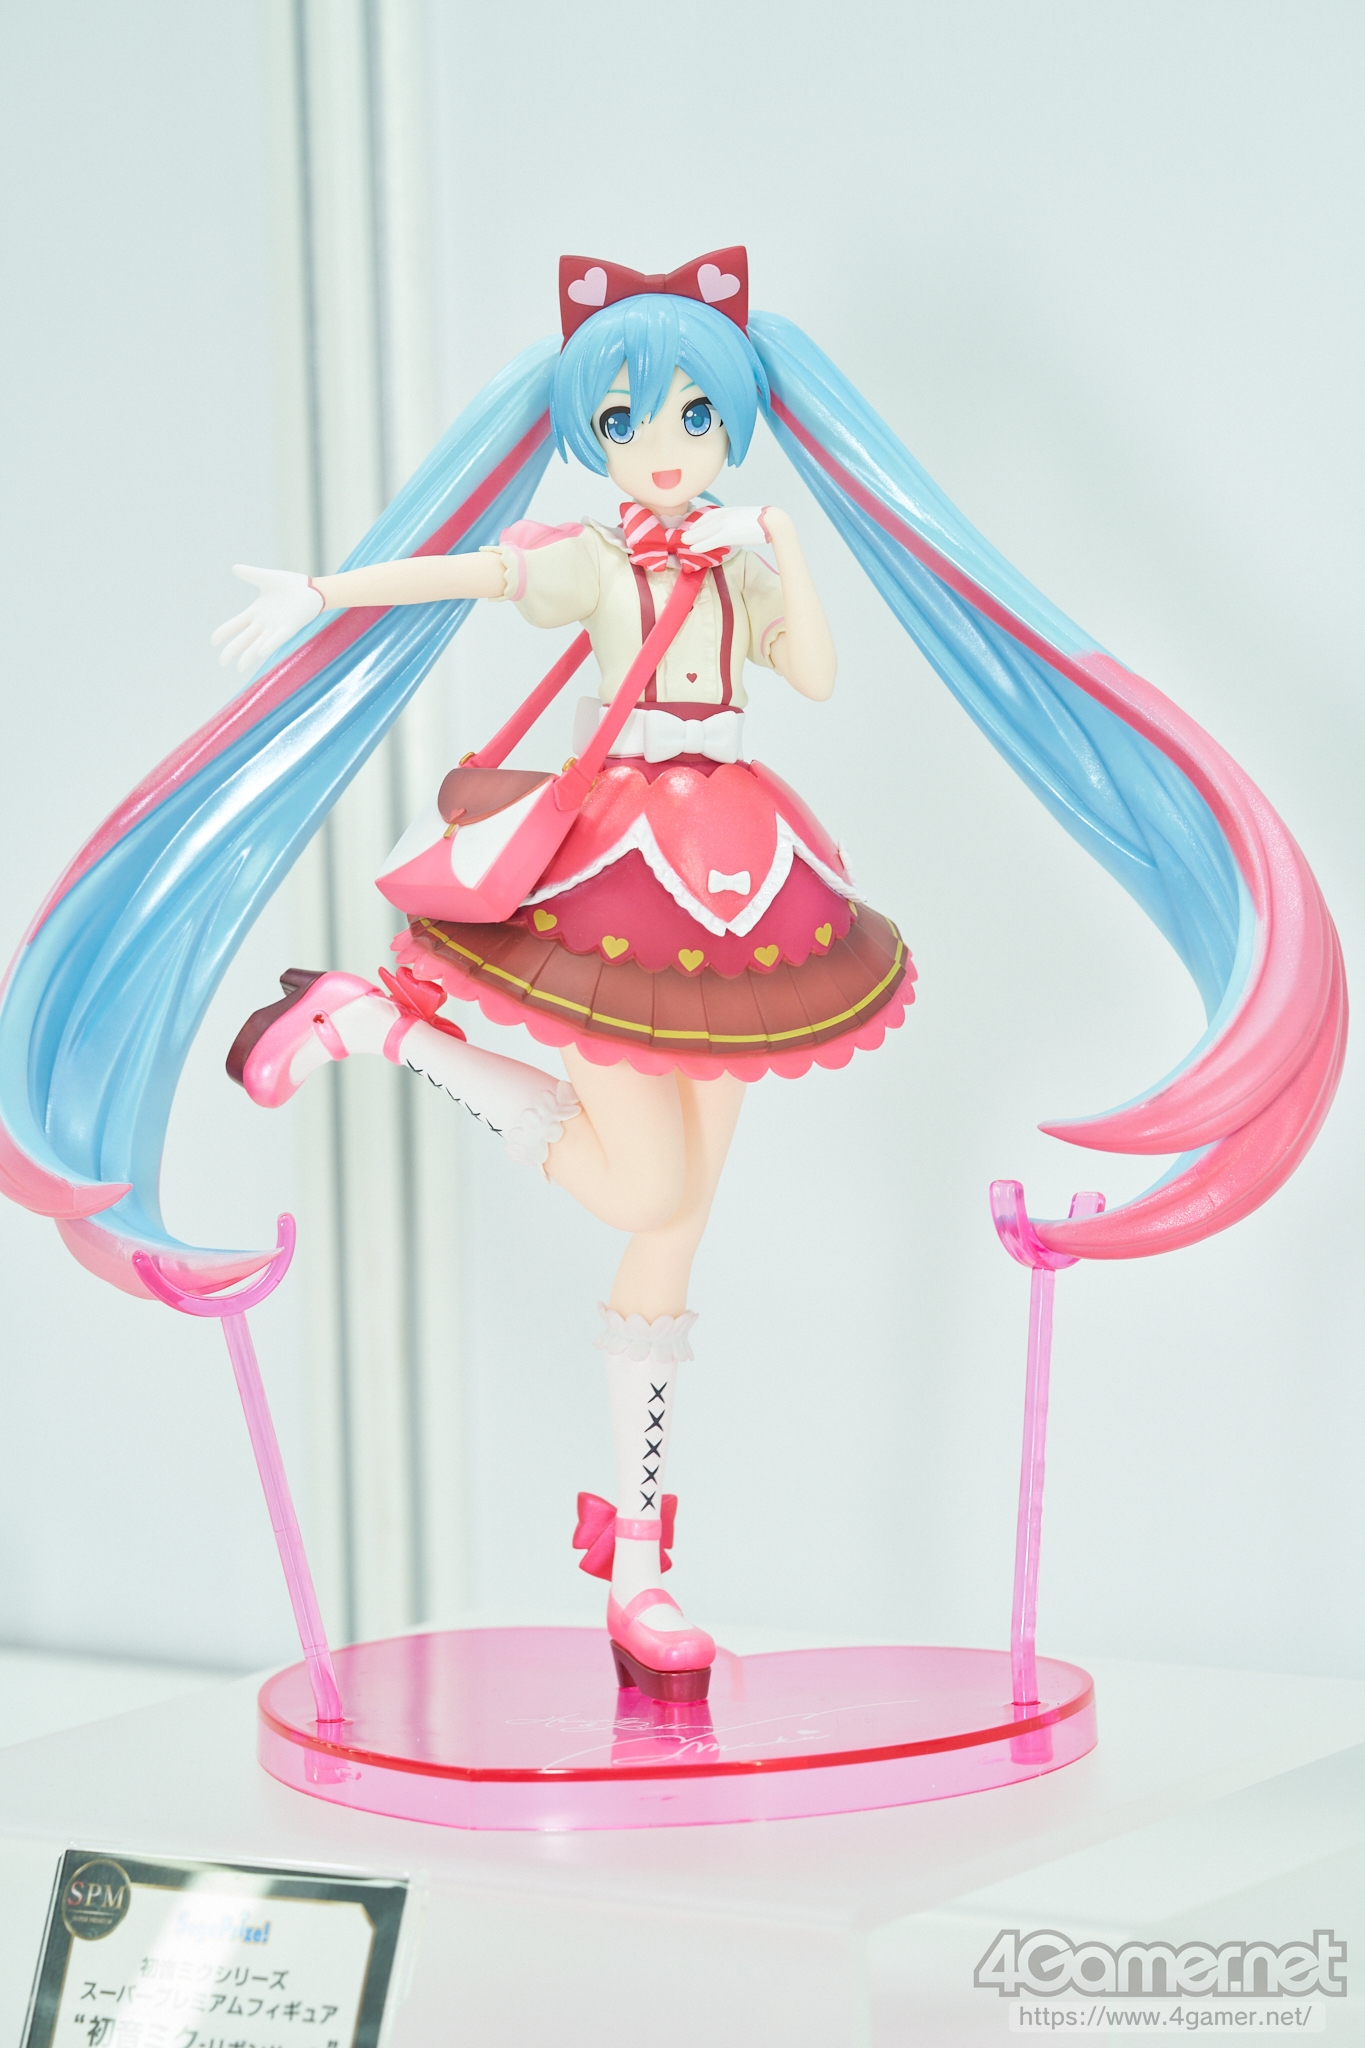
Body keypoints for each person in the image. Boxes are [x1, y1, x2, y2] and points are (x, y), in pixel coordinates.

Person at [1, 247, 1341, 1701]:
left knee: (675, 1231)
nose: (661, 446)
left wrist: (785, 544)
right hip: (617, 876)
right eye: (625, 419)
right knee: (645, 1193)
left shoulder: (738, 559)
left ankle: (638, 1573)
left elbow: (812, 674)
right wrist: (327, 590)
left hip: (745, 875)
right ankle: (380, 1028)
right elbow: (474, 569)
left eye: (694, 417)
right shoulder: (595, 559)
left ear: (736, 424)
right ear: (588, 433)